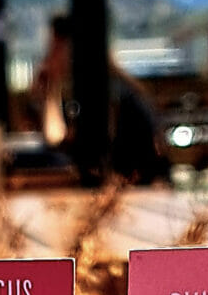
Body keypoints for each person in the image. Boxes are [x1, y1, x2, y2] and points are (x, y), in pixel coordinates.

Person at [28, 13, 169, 186]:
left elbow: (63, 144)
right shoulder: (104, 85)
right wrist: (50, 91)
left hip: (136, 193)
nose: (49, 56)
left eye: (56, 47)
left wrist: (50, 92)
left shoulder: (105, 93)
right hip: (129, 190)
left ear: (73, 47)